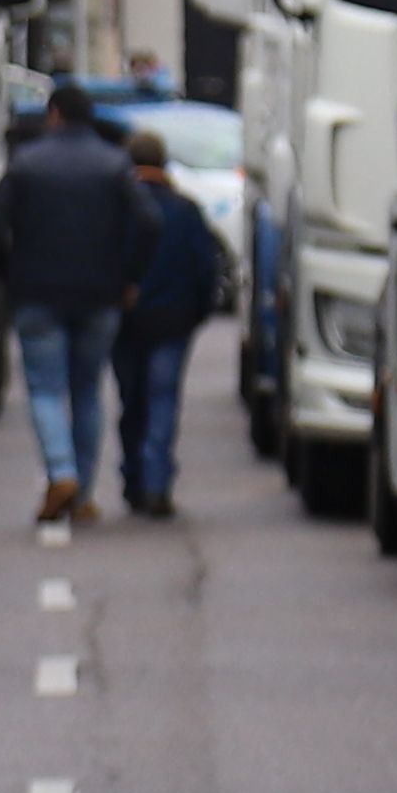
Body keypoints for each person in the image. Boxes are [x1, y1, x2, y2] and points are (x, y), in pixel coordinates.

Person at [0, 93, 160, 522]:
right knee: (86, 391)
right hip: (100, 294)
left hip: (37, 292)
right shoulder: (114, 164)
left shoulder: (26, 163)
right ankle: (82, 494)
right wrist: (130, 277)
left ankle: (61, 474)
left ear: (54, 114)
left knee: (45, 389)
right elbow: (151, 221)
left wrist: (10, 273)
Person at [114, 132, 228, 516]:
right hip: (173, 319)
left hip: (128, 319)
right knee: (162, 399)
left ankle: (132, 476)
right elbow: (206, 268)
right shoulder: (186, 210)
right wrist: (198, 311)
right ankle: (156, 482)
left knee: (132, 400)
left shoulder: (120, 208)